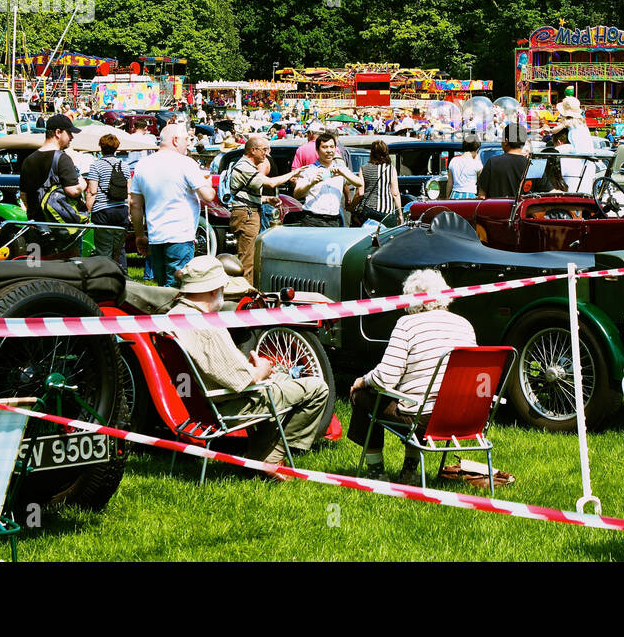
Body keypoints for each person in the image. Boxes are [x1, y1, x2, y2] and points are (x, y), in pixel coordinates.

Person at [168, 256, 329, 467]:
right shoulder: (203, 326)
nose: (223, 293)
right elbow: (242, 380)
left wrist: (252, 368)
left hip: (201, 401)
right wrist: (260, 369)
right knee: (317, 387)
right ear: (211, 290)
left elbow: (222, 370)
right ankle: (269, 456)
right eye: (221, 288)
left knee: (281, 377)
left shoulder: (173, 315)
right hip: (228, 405)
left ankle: (261, 449)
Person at [348, 269, 477, 479]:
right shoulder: (465, 325)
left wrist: (362, 381)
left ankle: (376, 471)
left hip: (424, 417)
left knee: (364, 396)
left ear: (411, 298)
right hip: (463, 414)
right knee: (422, 397)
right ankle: (410, 471)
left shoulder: (407, 324)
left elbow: (385, 378)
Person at [129, 123, 217, 287]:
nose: (188, 143)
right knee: (177, 288)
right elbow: (208, 197)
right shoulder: (186, 163)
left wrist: (139, 234)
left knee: (163, 286)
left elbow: (135, 204)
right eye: (186, 139)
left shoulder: (142, 164)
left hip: (156, 236)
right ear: (176, 140)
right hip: (180, 236)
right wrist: (209, 184)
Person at [227, 135, 302, 275]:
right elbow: (271, 183)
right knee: (248, 260)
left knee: (251, 257)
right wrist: (294, 173)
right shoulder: (244, 166)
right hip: (246, 215)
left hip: (248, 212)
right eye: (264, 150)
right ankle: (246, 293)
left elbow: (246, 196)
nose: (266, 153)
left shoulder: (248, 166)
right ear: (253, 150)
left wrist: (267, 199)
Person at [293, 131, 363, 227]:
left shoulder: (340, 169)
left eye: (332, 147)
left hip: (334, 220)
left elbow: (359, 183)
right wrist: (311, 183)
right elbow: (296, 194)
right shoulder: (309, 170)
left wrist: (343, 173)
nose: (329, 150)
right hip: (313, 220)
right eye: (325, 147)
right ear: (317, 150)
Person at [20, 114, 86, 216]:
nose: (71, 137)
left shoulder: (28, 160)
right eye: (69, 133)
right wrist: (83, 184)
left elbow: (23, 195)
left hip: (36, 224)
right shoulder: (62, 158)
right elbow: (73, 190)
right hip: (60, 226)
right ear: (58, 132)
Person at [84, 133, 130, 266]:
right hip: (121, 210)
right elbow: (129, 191)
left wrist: (87, 212)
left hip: (103, 211)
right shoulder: (124, 165)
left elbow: (92, 191)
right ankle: (123, 278)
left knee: (104, 249)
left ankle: (105, 278)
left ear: (101, 147)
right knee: (120, 249)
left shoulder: (96, 165)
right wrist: (129, 212)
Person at [354, 138, 402, 226]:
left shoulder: (364, 168)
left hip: (369, 211)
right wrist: (400, 214)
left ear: (371, 153)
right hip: (387, 213)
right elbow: (395, 193)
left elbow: (360, 193)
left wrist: (351, 207)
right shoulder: (391, 169)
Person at [477, 122, 530, 199]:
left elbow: (482, 196)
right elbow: (550, 193)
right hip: (524, 210)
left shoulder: (492, 163)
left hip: (497, 210)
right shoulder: (532, 165)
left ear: (506, 141)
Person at [446, 134, 483, 199]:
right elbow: (481, 183)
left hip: (454, 195)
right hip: (470, 196)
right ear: (477, 149)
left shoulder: (453, 160)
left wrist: (447, 197)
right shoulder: (477, 163)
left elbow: (450, 182)